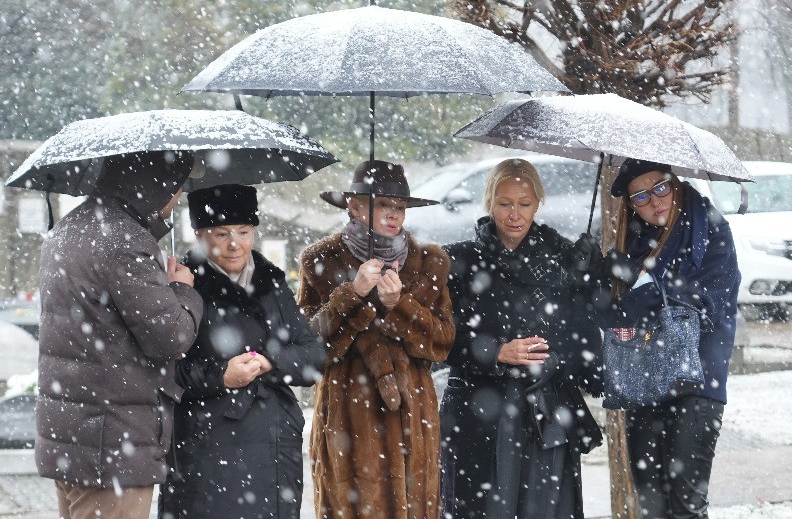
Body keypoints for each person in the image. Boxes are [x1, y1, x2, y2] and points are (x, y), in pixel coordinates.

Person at [36, 150, 204, 519]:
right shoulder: (123, 240)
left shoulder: (70, 228)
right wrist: (182, 290)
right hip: (111, 445)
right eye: (177, 187)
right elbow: (171, 336)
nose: (176, 198)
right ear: (156, 186)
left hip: (74, 434)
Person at [440, 158, 604, 519]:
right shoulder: (460, 261)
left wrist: (591, 278)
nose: (515, 214)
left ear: (538, 203)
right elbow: (440, 340)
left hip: (544, 411)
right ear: (488, 203)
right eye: (504, 203)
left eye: (525, 204)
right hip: (477, 410)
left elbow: (584, 341)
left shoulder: (564, 260)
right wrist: (495, 352)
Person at [297, 160, 456, 519]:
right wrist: (351, 294)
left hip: (414, 414)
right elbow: (308, 346)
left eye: (399, 206)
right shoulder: (320, 261)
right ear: (354, 206)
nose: (393, 214)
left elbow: (442, 342)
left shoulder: (430, 263)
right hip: (349, 413)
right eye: (382, 204)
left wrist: (399, 305)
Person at [158, 184, 326, 519]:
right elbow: (165, 370)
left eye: (244, 231)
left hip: (276, 439)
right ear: (199, 234)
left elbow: (313, 356)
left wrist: (271, 361)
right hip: (209, 440)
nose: (235, 244)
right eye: (222, 233)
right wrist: (221, 375)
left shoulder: (272, 283)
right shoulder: (184, 285)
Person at [602, 158, 740, 519]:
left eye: (660, 187)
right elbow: (616, 318)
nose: (655, 201)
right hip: (644, 382)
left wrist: (644, 286)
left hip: (696, 383)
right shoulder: (634, 242)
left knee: (686, 506)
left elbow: (706, 305)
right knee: (652, 506)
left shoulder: (711, 231)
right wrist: (597, 279)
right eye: (641, 197)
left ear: (674, 182)